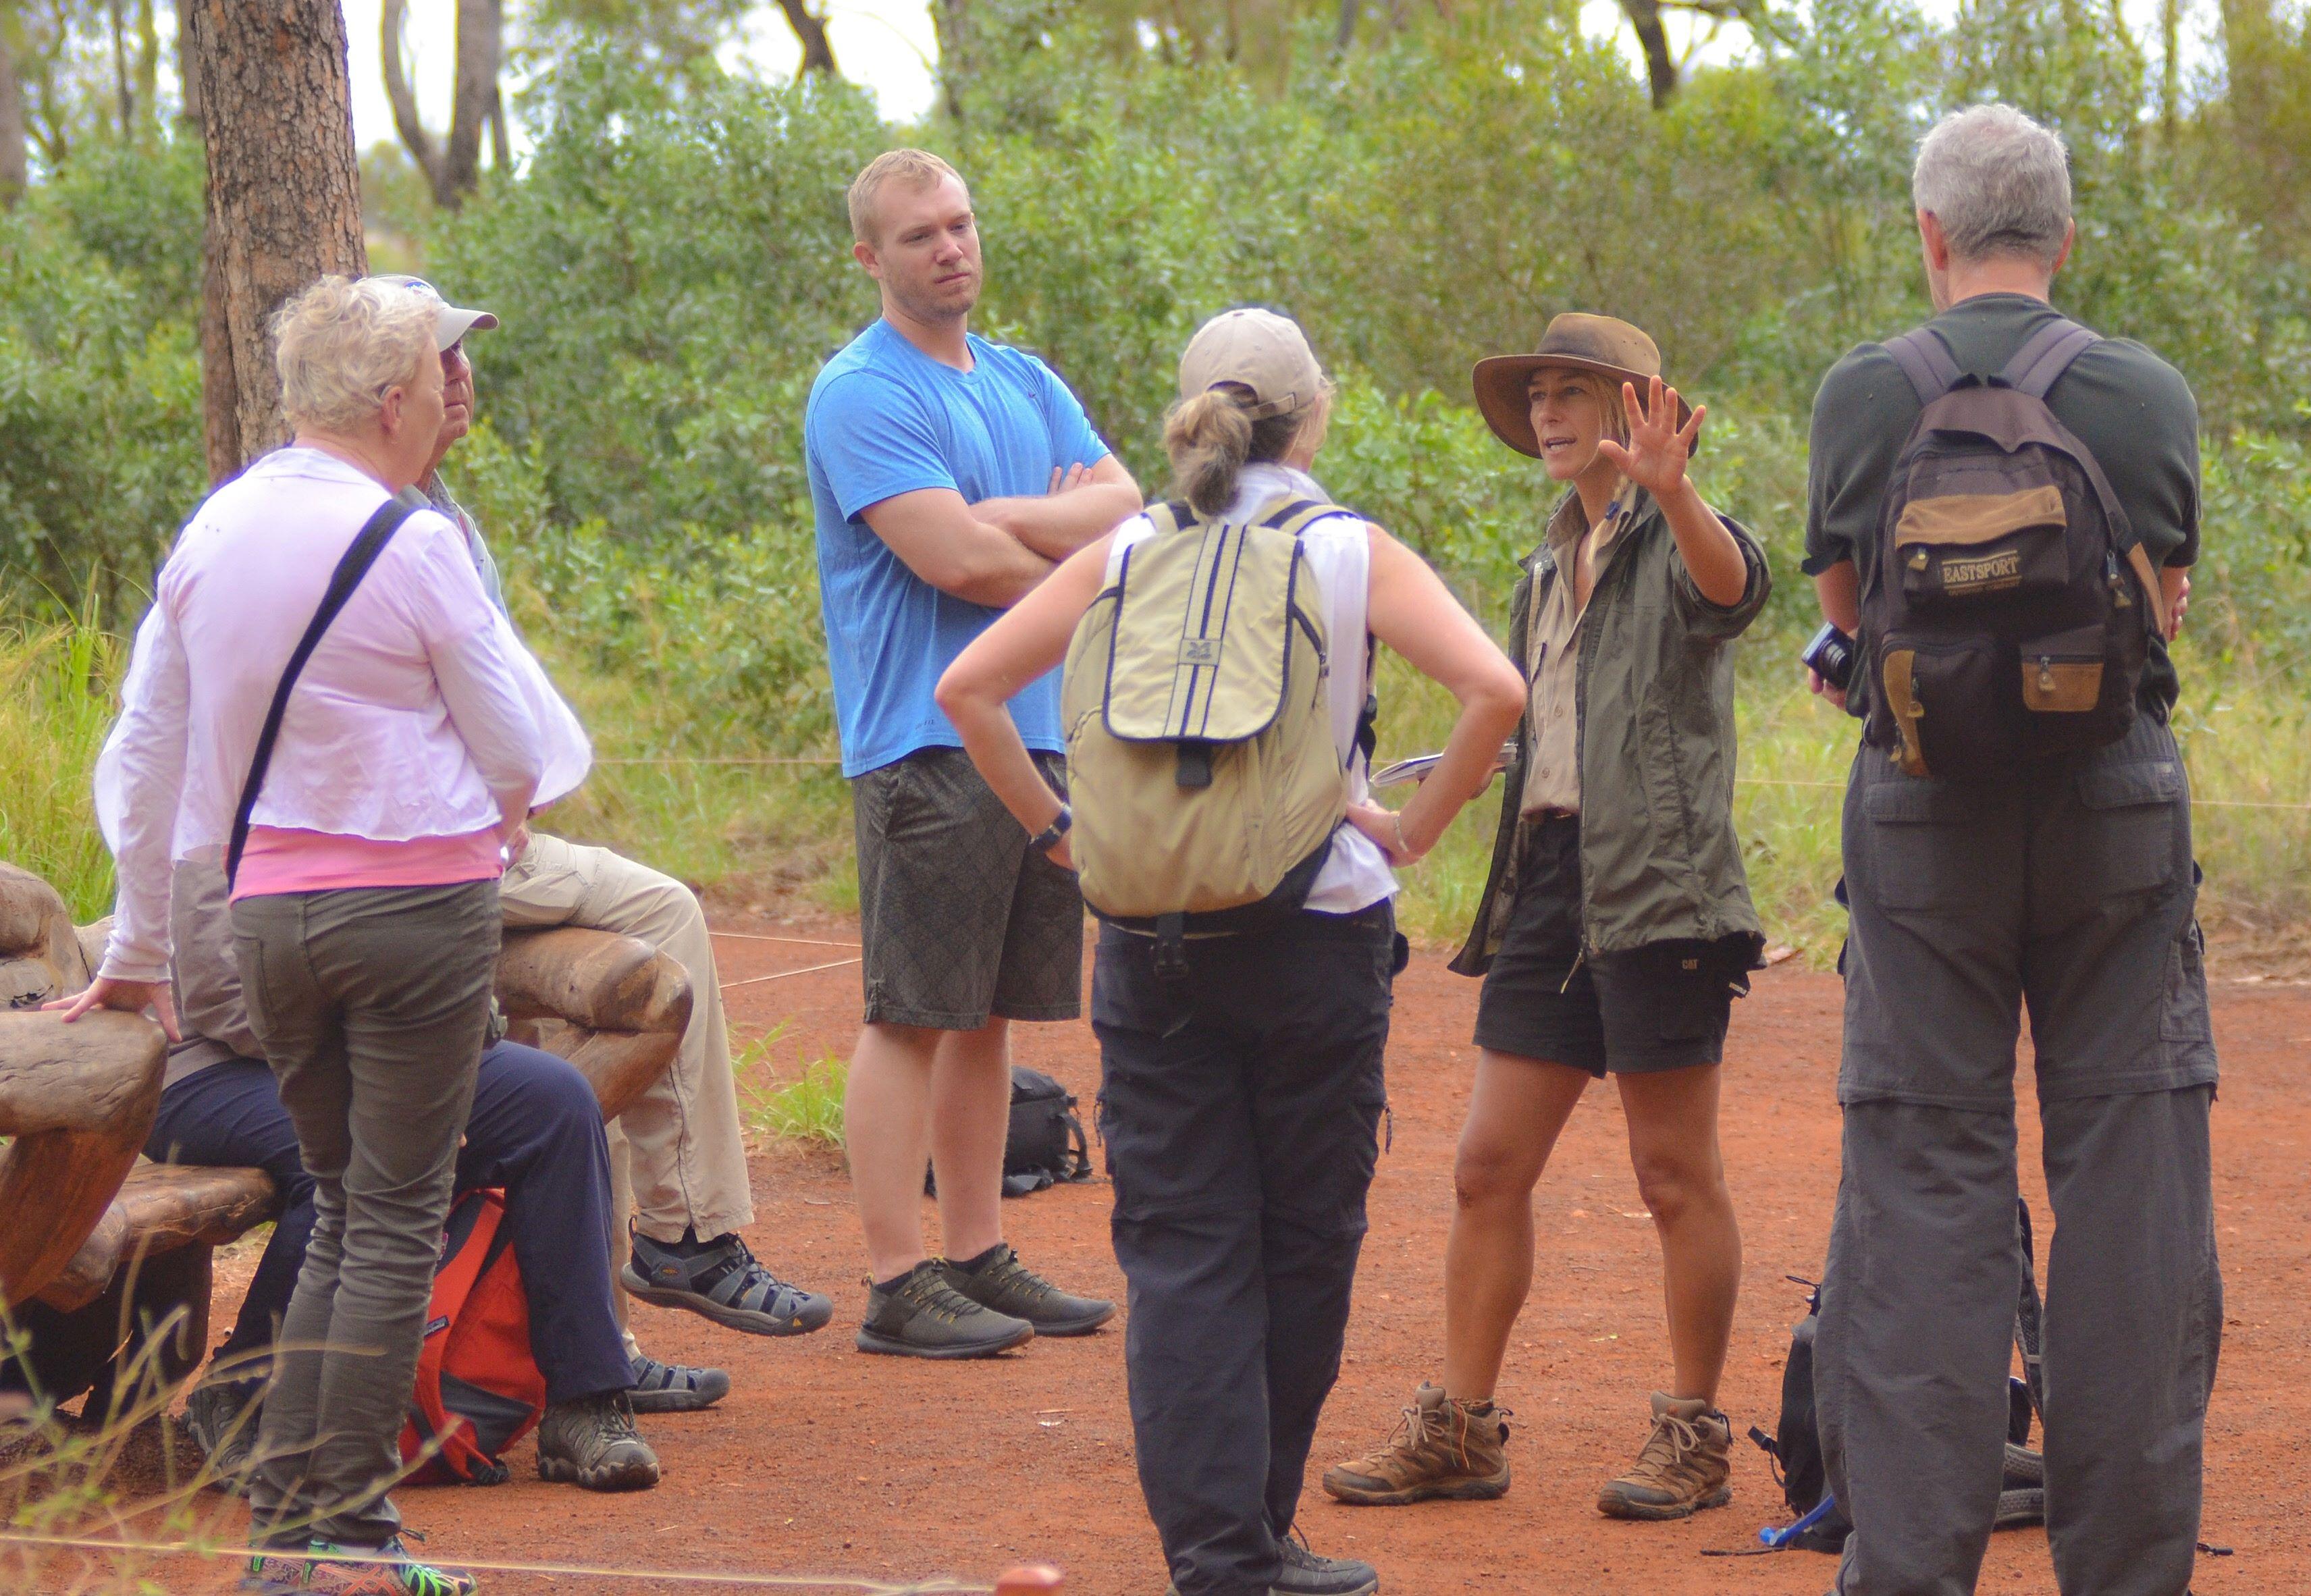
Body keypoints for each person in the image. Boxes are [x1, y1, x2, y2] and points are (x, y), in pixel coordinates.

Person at [937, 307, 1528, 1596]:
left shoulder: (1123, 546)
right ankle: (1257, 1533)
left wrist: (1063, 833)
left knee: (1182, 1249)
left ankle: (1218, 1556)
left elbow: (967, 688)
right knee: (1302, 1238)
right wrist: (1409, 827)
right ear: (1310, 418)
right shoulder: (1344, 547)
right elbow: (1496, 690)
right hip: (1316, 930)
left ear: (1189, 414)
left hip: (1148, 936)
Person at [55, 275, 541, 1596]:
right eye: (431, 380)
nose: (445, 398)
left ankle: (292, 1526)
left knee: (340, 1211)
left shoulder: (213, 534)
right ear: (389, 401)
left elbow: (145, 757)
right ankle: (343, 1533)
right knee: (393, 1216)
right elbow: (522, 741)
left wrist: (139, 945)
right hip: (416, 908)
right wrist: (503, 813)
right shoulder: (414, 542)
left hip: (266, 913)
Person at [1799, 105, 2216, 1596]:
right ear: (2063, 235)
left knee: (1923, 1182)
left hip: (1921, 813)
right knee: (2130, 1180)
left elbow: (1846, 621)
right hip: (2113, 804)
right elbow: (2160, 604)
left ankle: (1910, 1569)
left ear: (1928, 234)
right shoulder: (2142, 392)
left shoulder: (1864, 393)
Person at [1325, 314, 1770, 1522]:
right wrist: (1415, 824)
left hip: (1659, 885)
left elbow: (1732, 590)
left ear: (1633, 408)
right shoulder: (1543, 561)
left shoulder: (1677, 533)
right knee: (1485, 1166)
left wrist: (1673, 494)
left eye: (1572, 391)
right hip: (1550, 875)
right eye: (1536, 398)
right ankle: (1460, 1429)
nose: (1547, 414)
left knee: (1671, 1172)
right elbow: (1523, 726)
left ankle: (1692, 1434)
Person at [369, 273, 827, 1384]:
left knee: (559, 1057)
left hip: (450, 846)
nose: (460, 376)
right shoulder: (393, 520)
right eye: (438, 359)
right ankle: (685, 1233)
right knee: (662, 914)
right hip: (423, 857)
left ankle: (588, 1339)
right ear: (385, 389)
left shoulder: (436, 508)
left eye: (465, 353)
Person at [805, 149, 1138, 1358]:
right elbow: (958, 563)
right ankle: (896, 1278)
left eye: (958, 223)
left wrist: (1014, 516)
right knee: (911, 1010)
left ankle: (975, 1250)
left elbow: (1127, 507)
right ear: (868, 256)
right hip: (924, 735)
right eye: (917, 235)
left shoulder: (1023, 377)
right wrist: (1057, 539)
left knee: (989, 1013)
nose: (949, 247)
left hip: (1036, 734)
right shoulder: (859, 392)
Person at [151, 857, 659, 1497]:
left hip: (382, 1050)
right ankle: (241, 1388)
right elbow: (221, 1000)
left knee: (554, 1101)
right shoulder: (218, 817)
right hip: (208, 1065)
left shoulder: (388, 813)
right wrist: (398, 1075)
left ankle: (584, 1398)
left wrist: (437, 1042)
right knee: (359, 1146)